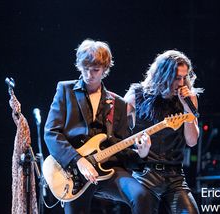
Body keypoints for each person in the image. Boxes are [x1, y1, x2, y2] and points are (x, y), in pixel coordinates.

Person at [44, 39, 154, 214]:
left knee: (142, 196)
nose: (89, 74)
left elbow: (120, 146)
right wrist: (77, 160)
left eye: (95, 70)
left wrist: (141, 154)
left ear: (105, 69)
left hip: (109, 169)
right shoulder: (65, 90)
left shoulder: (117, 103)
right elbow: (51, 133)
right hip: (73, 170)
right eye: (85, 68)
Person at [124, 50, 203, 214]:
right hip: (144, 175)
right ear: (163, 75)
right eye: (176, 78)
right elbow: (116, 132)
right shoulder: (136, 95)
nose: (181, 83)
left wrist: (188, 108)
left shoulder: (189, 98)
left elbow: (192, 141)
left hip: (174, 176)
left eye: (184, 77)